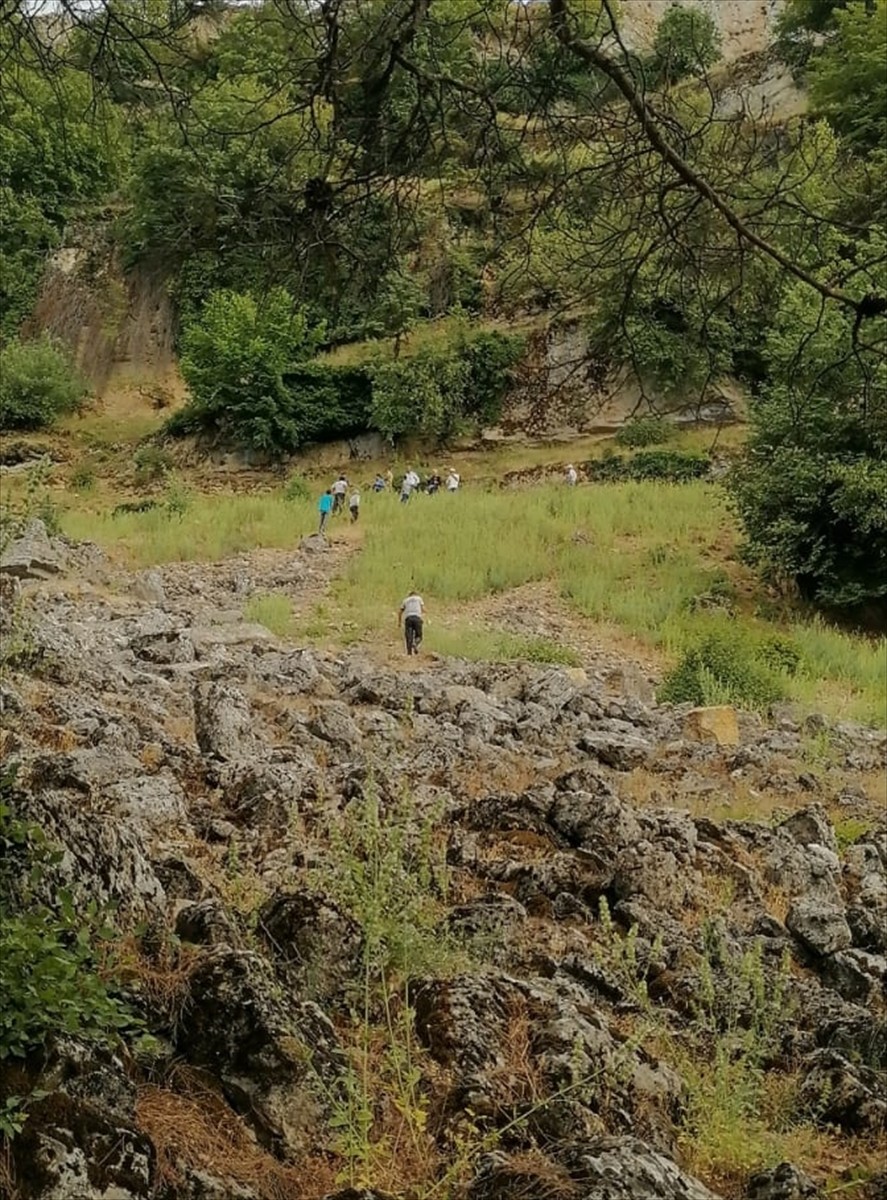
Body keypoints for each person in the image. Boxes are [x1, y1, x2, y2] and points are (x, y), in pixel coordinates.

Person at [398, 590, 425, 656]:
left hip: (408, 618)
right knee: (419, 636)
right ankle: (415, 643)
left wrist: (399, 622)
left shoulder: (405, 600)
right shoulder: (419, 598)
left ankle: (409, 653)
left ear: (409, 595)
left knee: (408, 636)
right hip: (417, 618)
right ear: (415, 594)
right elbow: (423, 609)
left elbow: (400, 612)